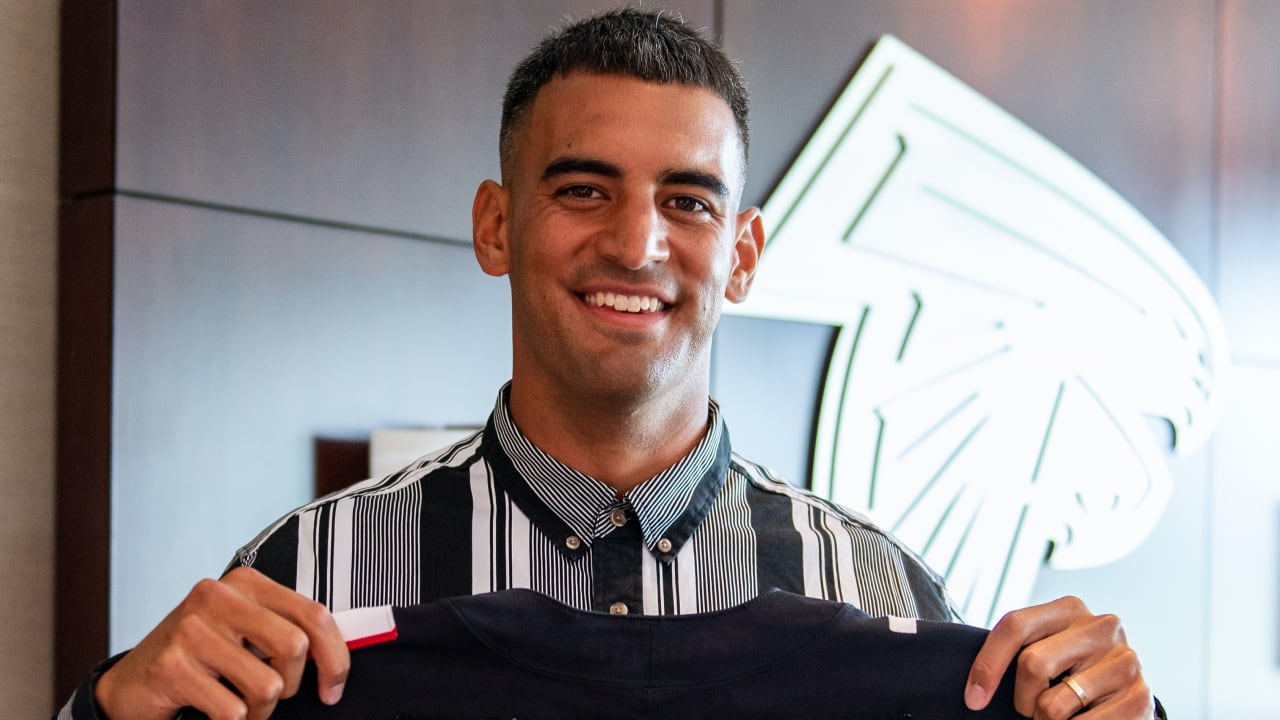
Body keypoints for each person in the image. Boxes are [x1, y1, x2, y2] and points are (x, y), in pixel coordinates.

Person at [59, 8, 1158, 720]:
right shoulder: (310, 572)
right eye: (582, 190)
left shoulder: (879, 592)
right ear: (496, 227)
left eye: (686, 201)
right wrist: (108, 710)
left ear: (741, 255)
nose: (635, 244)